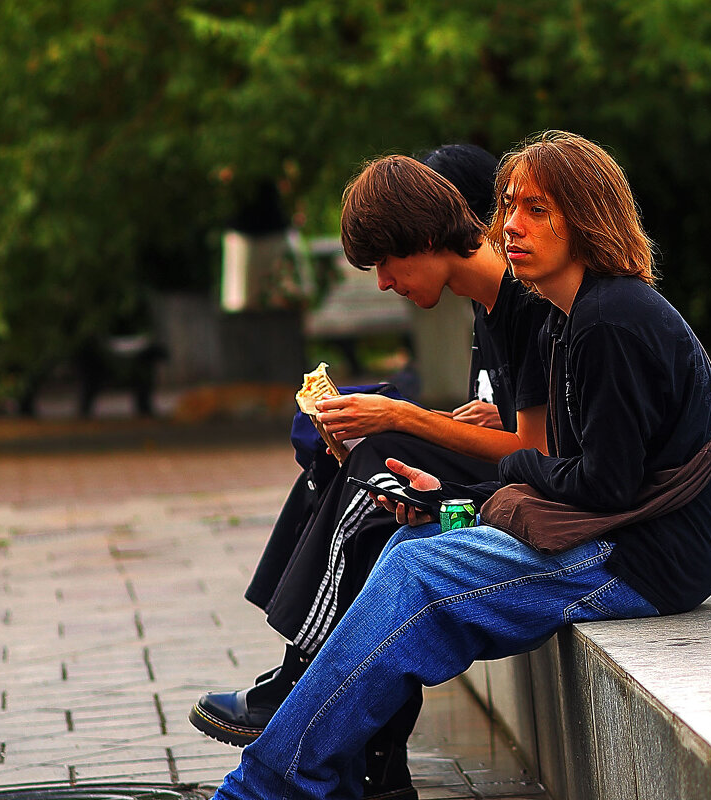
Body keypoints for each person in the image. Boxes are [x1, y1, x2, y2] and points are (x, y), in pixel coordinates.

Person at [210, 130, 711, 800]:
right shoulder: (572, 316)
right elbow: (570, 467)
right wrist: (455, 494)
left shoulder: (610, 319)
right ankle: (337, 772)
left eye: (536, 209)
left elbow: (604, 483)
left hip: (645, 560)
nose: (509, 224)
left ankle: (265, 787)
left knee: (418, 569)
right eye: (509, 205)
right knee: (411, 540)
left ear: (588, 218)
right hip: (617, 535)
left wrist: (487, 492)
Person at [190, 145, 551, 798]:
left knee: (378, 471)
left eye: (386, 260)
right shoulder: (497, 308)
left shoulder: (532, 303)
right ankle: (361, 754)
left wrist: (407, 417)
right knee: (371, 470)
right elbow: (525, 431)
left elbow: (541, 455)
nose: (383, 281)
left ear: (433, 229)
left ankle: (304, 687)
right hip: (536, 490)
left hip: (560, 513)